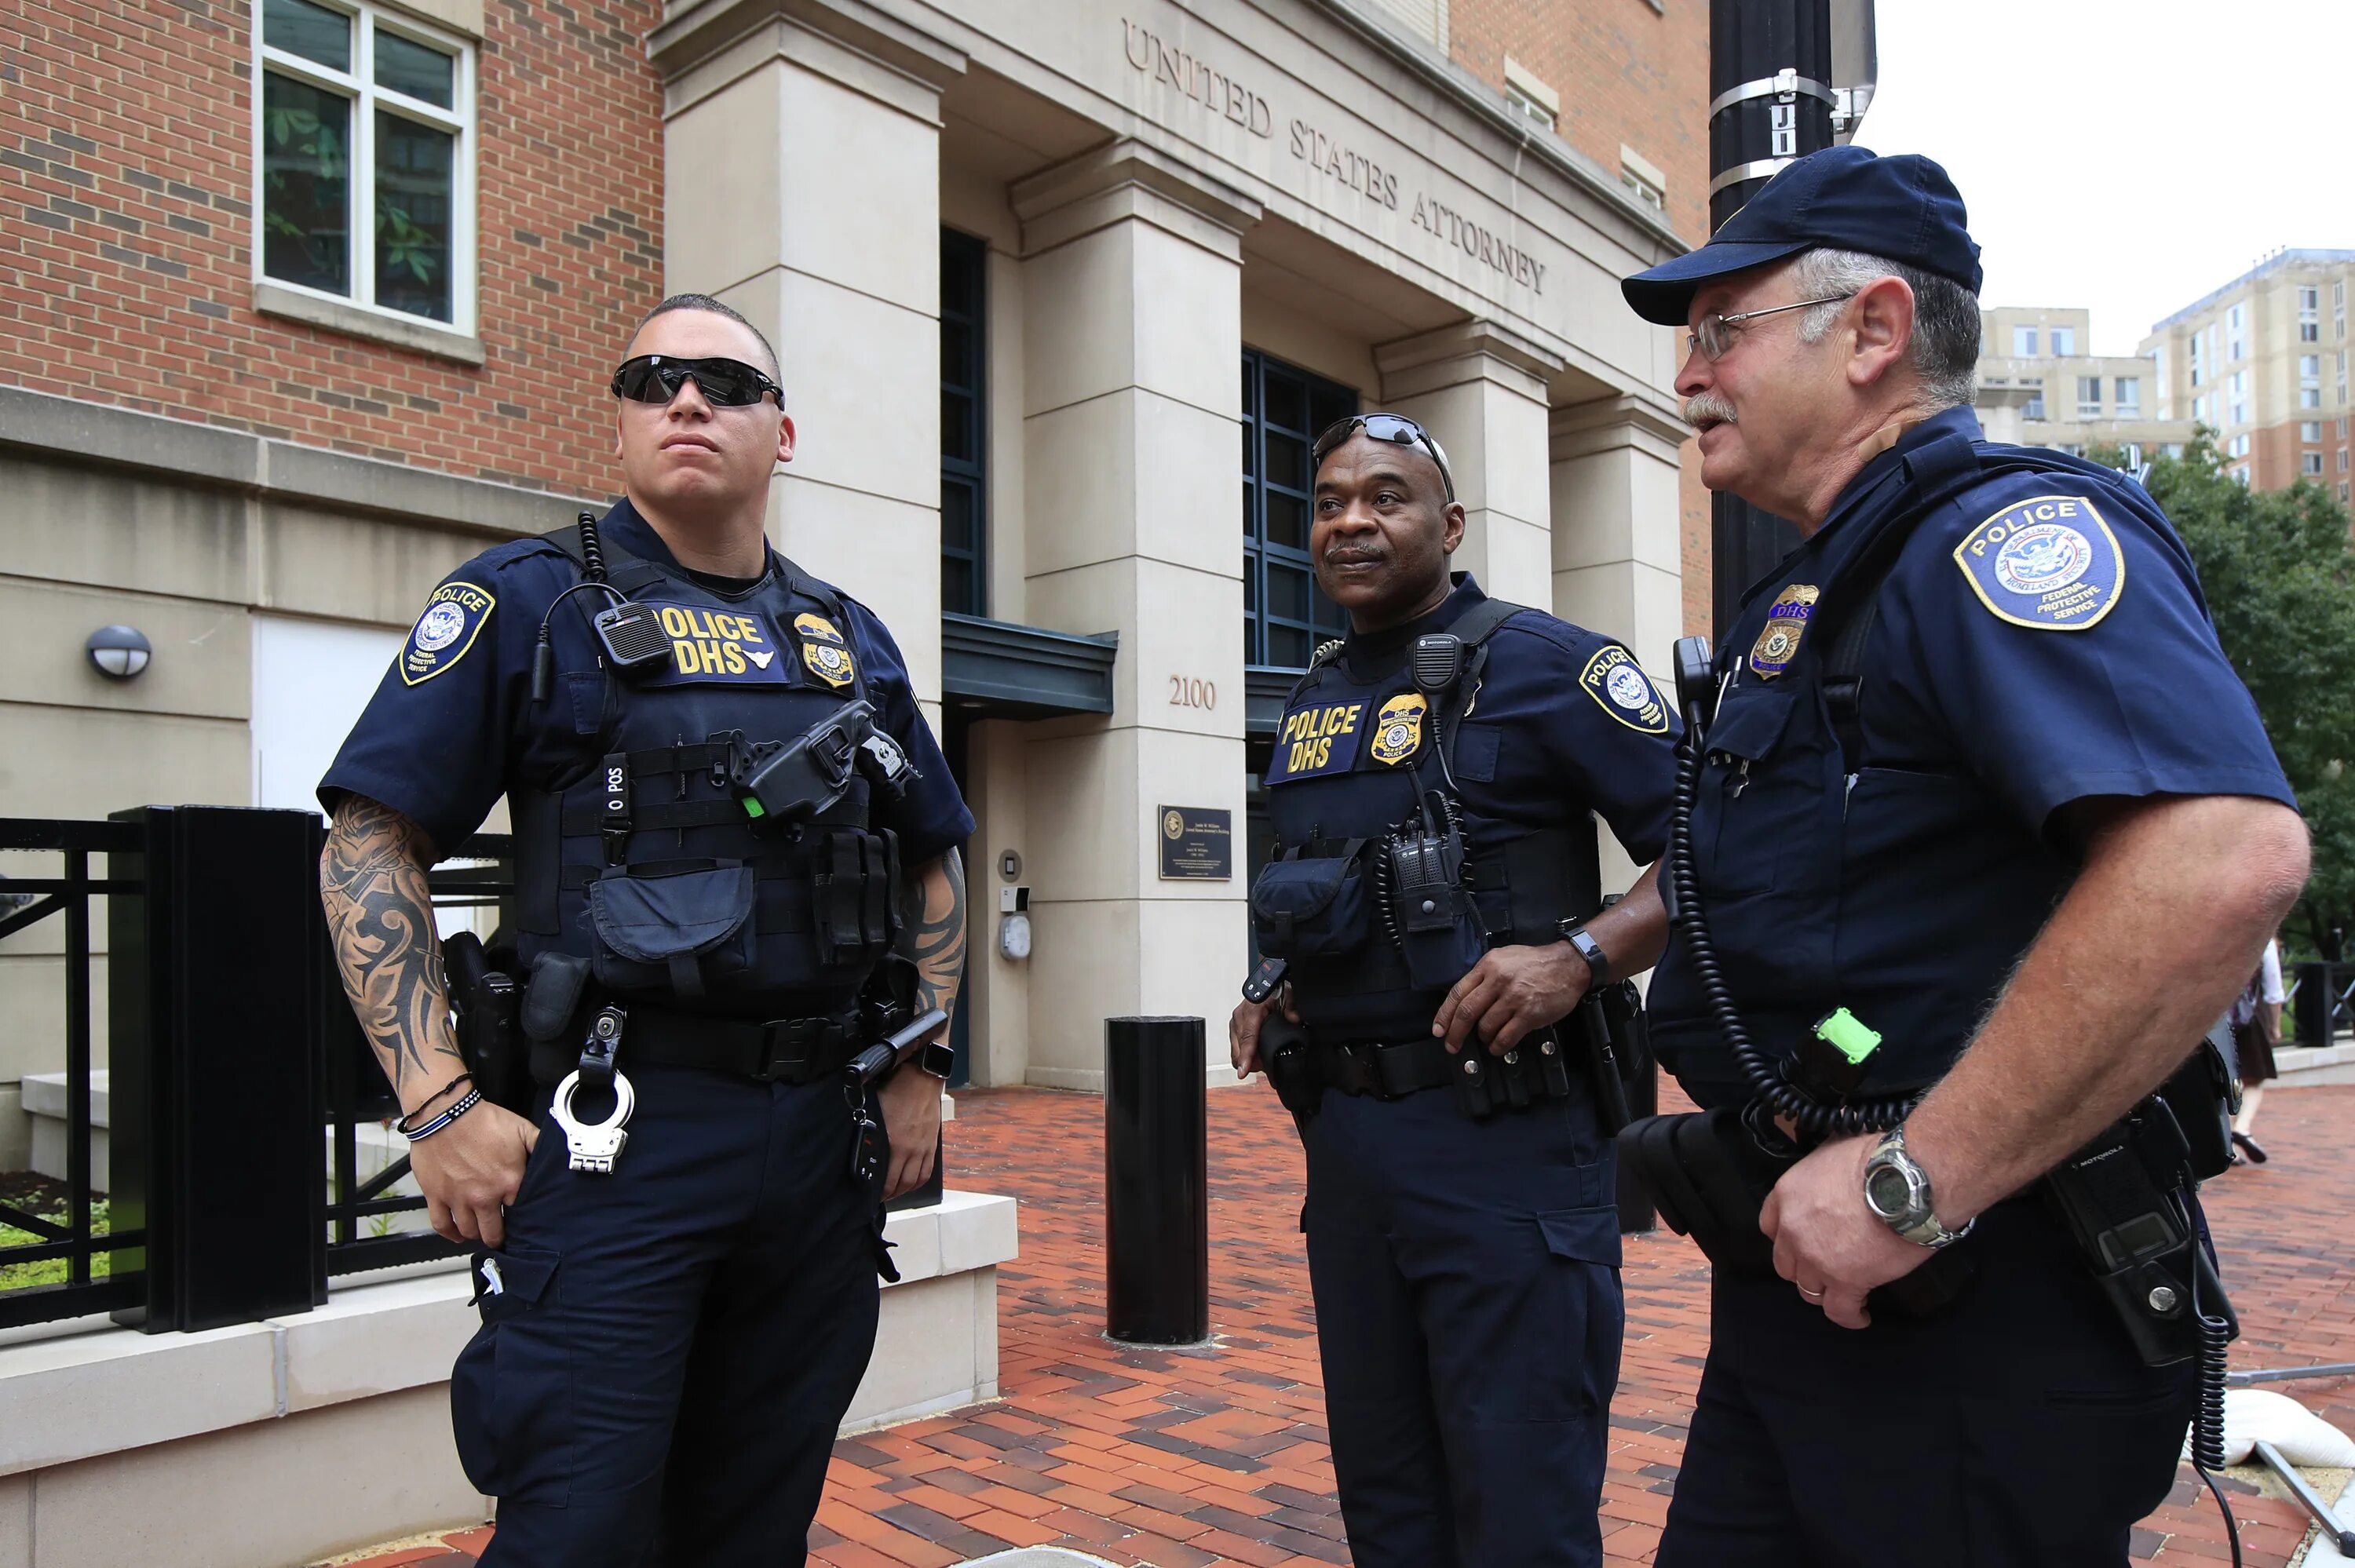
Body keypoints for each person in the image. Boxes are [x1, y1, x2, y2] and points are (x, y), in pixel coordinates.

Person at [1618, 144, 2309, 1566]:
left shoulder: (1999, 540)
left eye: (1721, 332)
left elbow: (2221, 856)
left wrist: (1911, 1180)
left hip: (1970, 1302)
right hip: (1818, 1288)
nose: (1689, 376)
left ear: (1873, 330)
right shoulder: (1828, 592)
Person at [318, 294, 973, 1567]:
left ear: (781, 432)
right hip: (617, 1134)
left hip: (818, 1146)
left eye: (727, 384)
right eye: (655, 377)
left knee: (754, 1520)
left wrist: (919, 1062)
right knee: (580, 1524)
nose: (689, 399)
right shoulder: (527, 601)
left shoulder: (847, 639)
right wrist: (437, 1103)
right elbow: (367, 842)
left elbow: (929, 858)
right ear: (619, 418)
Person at [1227, 414, 1678, 1567]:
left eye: (1386, 497)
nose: (1351, 521)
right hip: (1352, 1145)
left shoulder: (1547, 662)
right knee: (1386, 1491)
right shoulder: (1317, 693)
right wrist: (1275, 980)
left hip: (1508, 1143)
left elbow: (1720, 842)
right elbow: (1331, 873)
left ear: (1451, 523)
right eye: (1329, 502)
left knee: (1519, 1498)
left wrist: (1579, 954)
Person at [2229, 935, 2287, 1162]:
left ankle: (2227, 1145)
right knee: (2253, 1080)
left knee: (2219, 1084)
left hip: (2209, 1024)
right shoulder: (2263, 941)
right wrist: (2275, 1027)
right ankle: (2242, 1129)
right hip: (2244, 1022)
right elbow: (2274, 992)